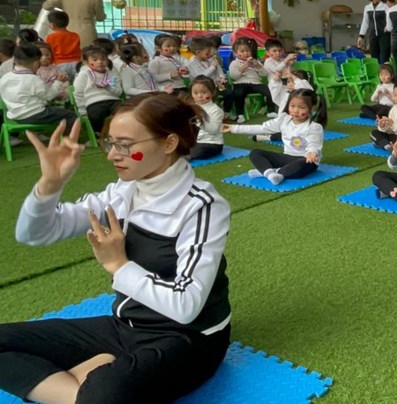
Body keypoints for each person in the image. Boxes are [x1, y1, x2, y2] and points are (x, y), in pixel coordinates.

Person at [0, 93, 231, 403]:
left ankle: (90, 385)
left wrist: (119, 266)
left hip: (187, 337)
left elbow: (186, 305)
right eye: (110, 143)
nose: (112, 155)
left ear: (169, 143)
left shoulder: (202, 206)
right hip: (125, 326)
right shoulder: (123, 192)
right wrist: (49, 187)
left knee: (106, 392)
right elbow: (35, 234)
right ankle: (82, 389)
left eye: (125, 145)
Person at [225, 89, 326, 186]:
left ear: (312, 108)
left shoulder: (314, 127)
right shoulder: (284, 119)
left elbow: (314, 144)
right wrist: (234, 128)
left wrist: (312, 152)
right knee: (255, 153)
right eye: (292, 106)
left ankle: (269, 172)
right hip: (287, 158)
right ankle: (271, 174)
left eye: (301, 107)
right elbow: (262, 128)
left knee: (301, 163)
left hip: (306, 160)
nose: (295, 110)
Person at [0, 44, 75, 131]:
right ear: (36, 63)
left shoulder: (5, 77)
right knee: (71, 116)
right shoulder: (33, 79)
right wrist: (58, 81)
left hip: (15, 116)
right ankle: (66, 139)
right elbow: (50, 96)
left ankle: (38, 135)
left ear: (15, 61)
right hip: (37, 115)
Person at [41, 0, 106, 47]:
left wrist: (61, 6)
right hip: (86, 33)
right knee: (86, 53)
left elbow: (46, 6)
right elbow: (100, 18)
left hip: (66, 31)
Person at [74, 45, 122, 134]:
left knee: (122, 111)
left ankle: (118, 132)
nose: (100, 62)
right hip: (93, 103)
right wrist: (82, 110)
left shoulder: (111, 74)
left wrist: (108, 87)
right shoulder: (84, 74)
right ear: (86, 62)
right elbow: (78, 93)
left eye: (103, 59)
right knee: (96, 114)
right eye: (95, 60)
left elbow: (118, 92)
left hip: (112, 100)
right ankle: (99, 134)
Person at [228, 39, 277, 121]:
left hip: (255, 83)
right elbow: (234, 76)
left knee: (269, 90)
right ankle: (240, 114)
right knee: (238, 93)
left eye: (247, 51)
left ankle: (271, 111)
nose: (246, 53)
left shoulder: (255, 61)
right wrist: (244, 66)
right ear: (236, 53)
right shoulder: (234, 63)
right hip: (240, 83)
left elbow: (264, 74)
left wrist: (257, 65)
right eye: (242, 51)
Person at [189, 77, 225, 162]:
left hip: (212, 144)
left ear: (213, 93)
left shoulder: (215, 110)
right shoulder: (192, 107)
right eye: (195, 93)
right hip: (195, 141)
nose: (199, 96)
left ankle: (186, 155)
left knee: (200, 151)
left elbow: (214, 130)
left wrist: (200, 121)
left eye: (204, 92)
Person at [371, 82, 397, 150]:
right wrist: (383, 126)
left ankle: (383, 144)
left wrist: (393, 124)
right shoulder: (394, 109)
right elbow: (390, 131)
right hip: (394, 135)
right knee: (374, 133)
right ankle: (386, 145)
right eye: (395, 95)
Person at [358, 0, 391, 64]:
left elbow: (390, 19)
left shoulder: (385, 7)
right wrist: (361, 36)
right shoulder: (367, 7)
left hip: (384, 36)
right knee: (374, 59)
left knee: (384, 59)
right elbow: (365, 22)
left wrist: (388, 26)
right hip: (372, 37)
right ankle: (377, 71)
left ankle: (385, 71)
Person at [44, 11, 82, 79]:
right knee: (75, 83)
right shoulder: (75, 35)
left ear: (52, 25)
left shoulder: (51, 37)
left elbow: (49, 52)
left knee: (62, 83)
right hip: (77, 63)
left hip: (60, 64)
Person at [262, 39, 296, 113]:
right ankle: (283, 108)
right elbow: (277, 70)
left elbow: (288, 72)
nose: (278, 53)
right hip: (275, 85)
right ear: (267, 53)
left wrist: (291, 64)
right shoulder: (268, 61)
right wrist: (286, 60)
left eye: (280, 51)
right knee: (286, 93)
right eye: (274, 51)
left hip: (285, 82)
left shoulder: (281, 60)